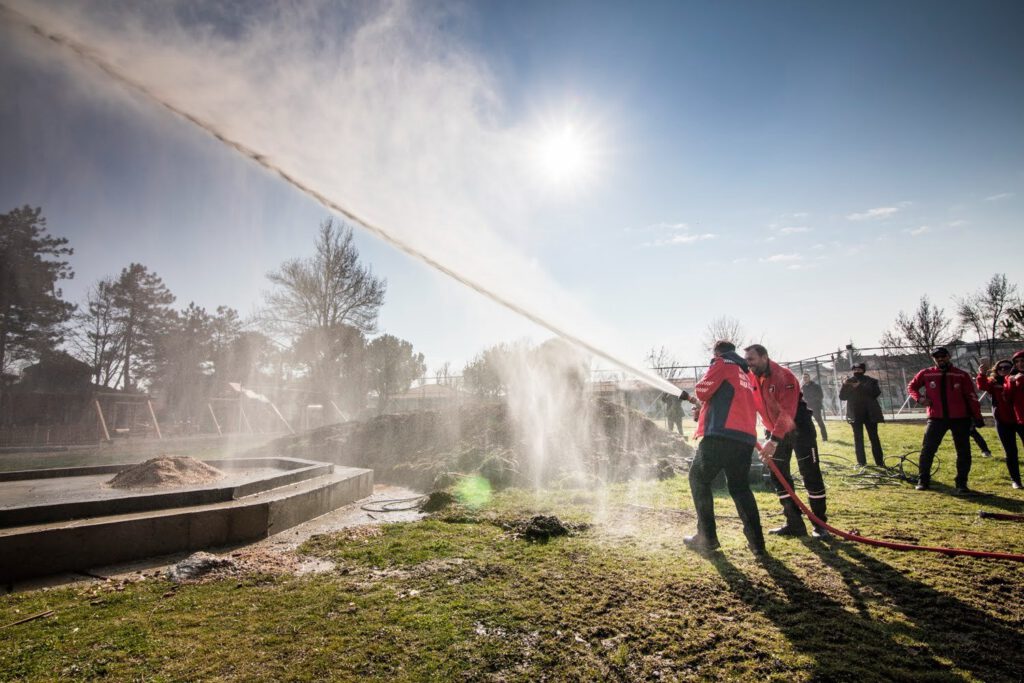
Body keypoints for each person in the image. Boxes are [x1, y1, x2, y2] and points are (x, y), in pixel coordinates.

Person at [684, 340, 766, 556]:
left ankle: (706, 537)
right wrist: (706, 411)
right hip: (745, 438)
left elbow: (702, 391)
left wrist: (704, 397)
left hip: (721, 436)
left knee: (698, 479)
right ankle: (757, 543)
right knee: (740, 488)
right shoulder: (745, 373)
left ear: (717, 352)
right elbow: (729, 400)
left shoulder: (722, 363)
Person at [744, 344, 829, 538]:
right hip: (774, 432)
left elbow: (787, 413)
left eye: (752, 359)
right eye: (747, 360)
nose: (748, 364)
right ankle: (794, 523)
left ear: (764, 357)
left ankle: (820, 524)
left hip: (799, 430)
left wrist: (773, 441)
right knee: (778, 474)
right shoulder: (750, 377)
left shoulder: (785, 376)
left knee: (810, 473)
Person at [907, 347, 984, 494]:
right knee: (927, 449)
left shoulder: (961, 375)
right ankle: (923, 480)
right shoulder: (926, 373)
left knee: (963, 452)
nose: (940, 359)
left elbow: (971, 396)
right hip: (936, 418)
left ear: (949, 357)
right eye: (937, 357)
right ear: (934, 359)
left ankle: (961, 483)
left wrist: (977, 416)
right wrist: (920, 398)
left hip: (960, 418)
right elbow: (912, 387)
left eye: (943, 356)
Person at [977, 358, 1023, 488]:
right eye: (1000, 368)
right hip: (1003, 421)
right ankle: (1016, 480)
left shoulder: (1018, 378)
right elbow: (982, 385)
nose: (1003, 370)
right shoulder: (993, 383)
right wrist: (982, 373)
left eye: (1006, 368)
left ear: (1012, 368)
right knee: (1010, 452)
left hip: (1020, 420)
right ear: (996, 370)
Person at [838, 362, 885, 467]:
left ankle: (880, 462)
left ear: (863, 370)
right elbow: (842, 397)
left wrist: (859, 386)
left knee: (874, 438)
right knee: (858, 439)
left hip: (870, 413)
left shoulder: (871, 381)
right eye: (854, 370)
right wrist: (845, 386)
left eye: (859, 370)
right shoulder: (849, 382)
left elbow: (875, 393)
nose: (856, 371)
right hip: (855, 414)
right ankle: (861, 462)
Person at [801, 373, 829, 441]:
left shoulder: (816, 386)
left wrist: (813, 402)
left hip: (815, 407)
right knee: (807, 424)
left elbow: (821, 396)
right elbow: (802, 397)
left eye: (806, 377)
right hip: (807, 408)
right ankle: (811, 438)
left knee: (820, 422)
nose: (805, 379)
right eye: (804, 378)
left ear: (809, 378)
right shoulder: (803, 387)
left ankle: (824, 438)